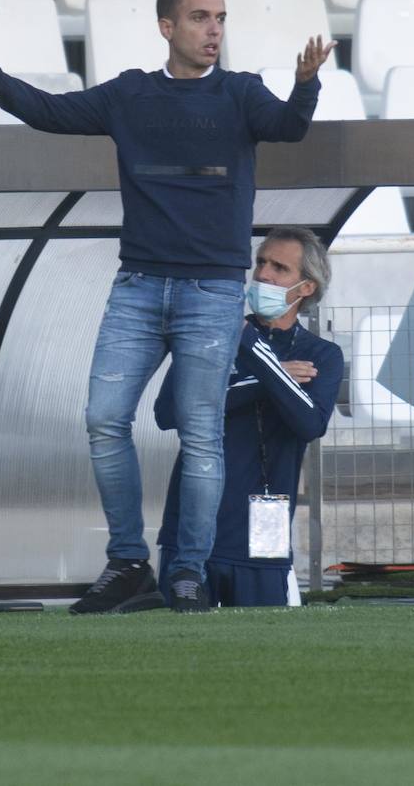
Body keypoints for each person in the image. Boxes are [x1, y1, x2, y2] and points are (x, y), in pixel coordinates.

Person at [0, 0, 335, 612]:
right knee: (103, 418)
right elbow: (47, 112)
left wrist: (308, 82)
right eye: (201, 17)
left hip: (210, 291)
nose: (214, 30)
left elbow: (289, 127)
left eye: (221, 18)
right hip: (140, 286)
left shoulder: (240, 93)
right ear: (167, 27)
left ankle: (186, 571)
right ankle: (127, 558)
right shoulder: (130, 94)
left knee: (200, 433)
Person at [154, 228, 343, 607]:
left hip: (264, 534)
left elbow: (309, 424)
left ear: (306, 288)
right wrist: (271, 377)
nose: (263, 275)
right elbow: (168, 412)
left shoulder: (322, 355)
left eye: (279, 268)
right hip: (190, 536)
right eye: (260, 262)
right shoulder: (209, 335)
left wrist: (261, 360)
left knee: (262, 655)